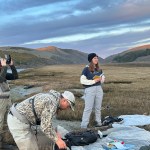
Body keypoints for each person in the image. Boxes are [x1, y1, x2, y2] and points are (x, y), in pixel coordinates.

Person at [7, 90, 75, 150]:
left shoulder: (52, 98)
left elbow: (46, 121)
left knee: (34, 146)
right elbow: (45, 127)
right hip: (18, 122)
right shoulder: (51, 103)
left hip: (21, 120)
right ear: (64, 100)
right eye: (68, 106)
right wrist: (58, 140)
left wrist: (55, 134)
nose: (67, 108)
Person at [80, 53, 105, 128]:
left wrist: (101, 79)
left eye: (97, 58)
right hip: (90, 90)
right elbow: (82, 81)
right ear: (91, 59)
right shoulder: (86, 69)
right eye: (94, 58)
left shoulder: (99, 69)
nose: (96, 59)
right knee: (88, 108)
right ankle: (84, 126)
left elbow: (103, 79)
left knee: (98, 108)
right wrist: (94, 81)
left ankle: (98, 123)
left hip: (99, 89)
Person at [0, 56, 18, 136]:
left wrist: (11, 65)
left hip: (8, 99)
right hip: (0, 101)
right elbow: (1, 79)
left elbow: (15, 76)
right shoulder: (2, 73)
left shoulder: (2, 72)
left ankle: (7, 136)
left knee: (10, 117)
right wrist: (4, 67)